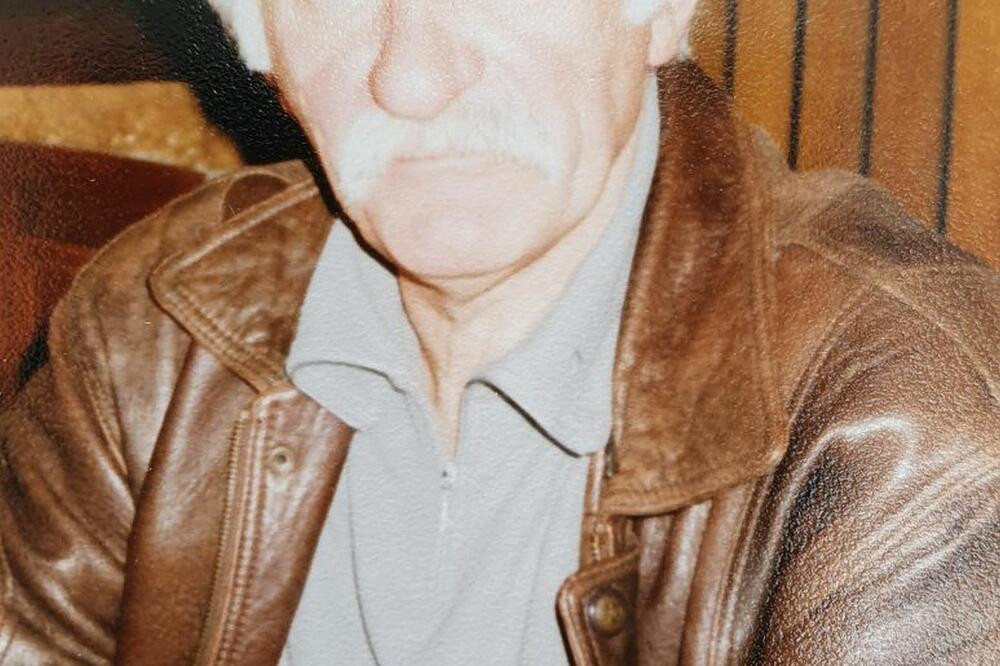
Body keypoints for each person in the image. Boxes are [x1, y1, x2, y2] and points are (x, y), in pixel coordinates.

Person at [1, 1, 997, 664]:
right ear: (262, 48)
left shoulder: (909, 421)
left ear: (656, 12)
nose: (414, 78)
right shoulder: (153, 320)